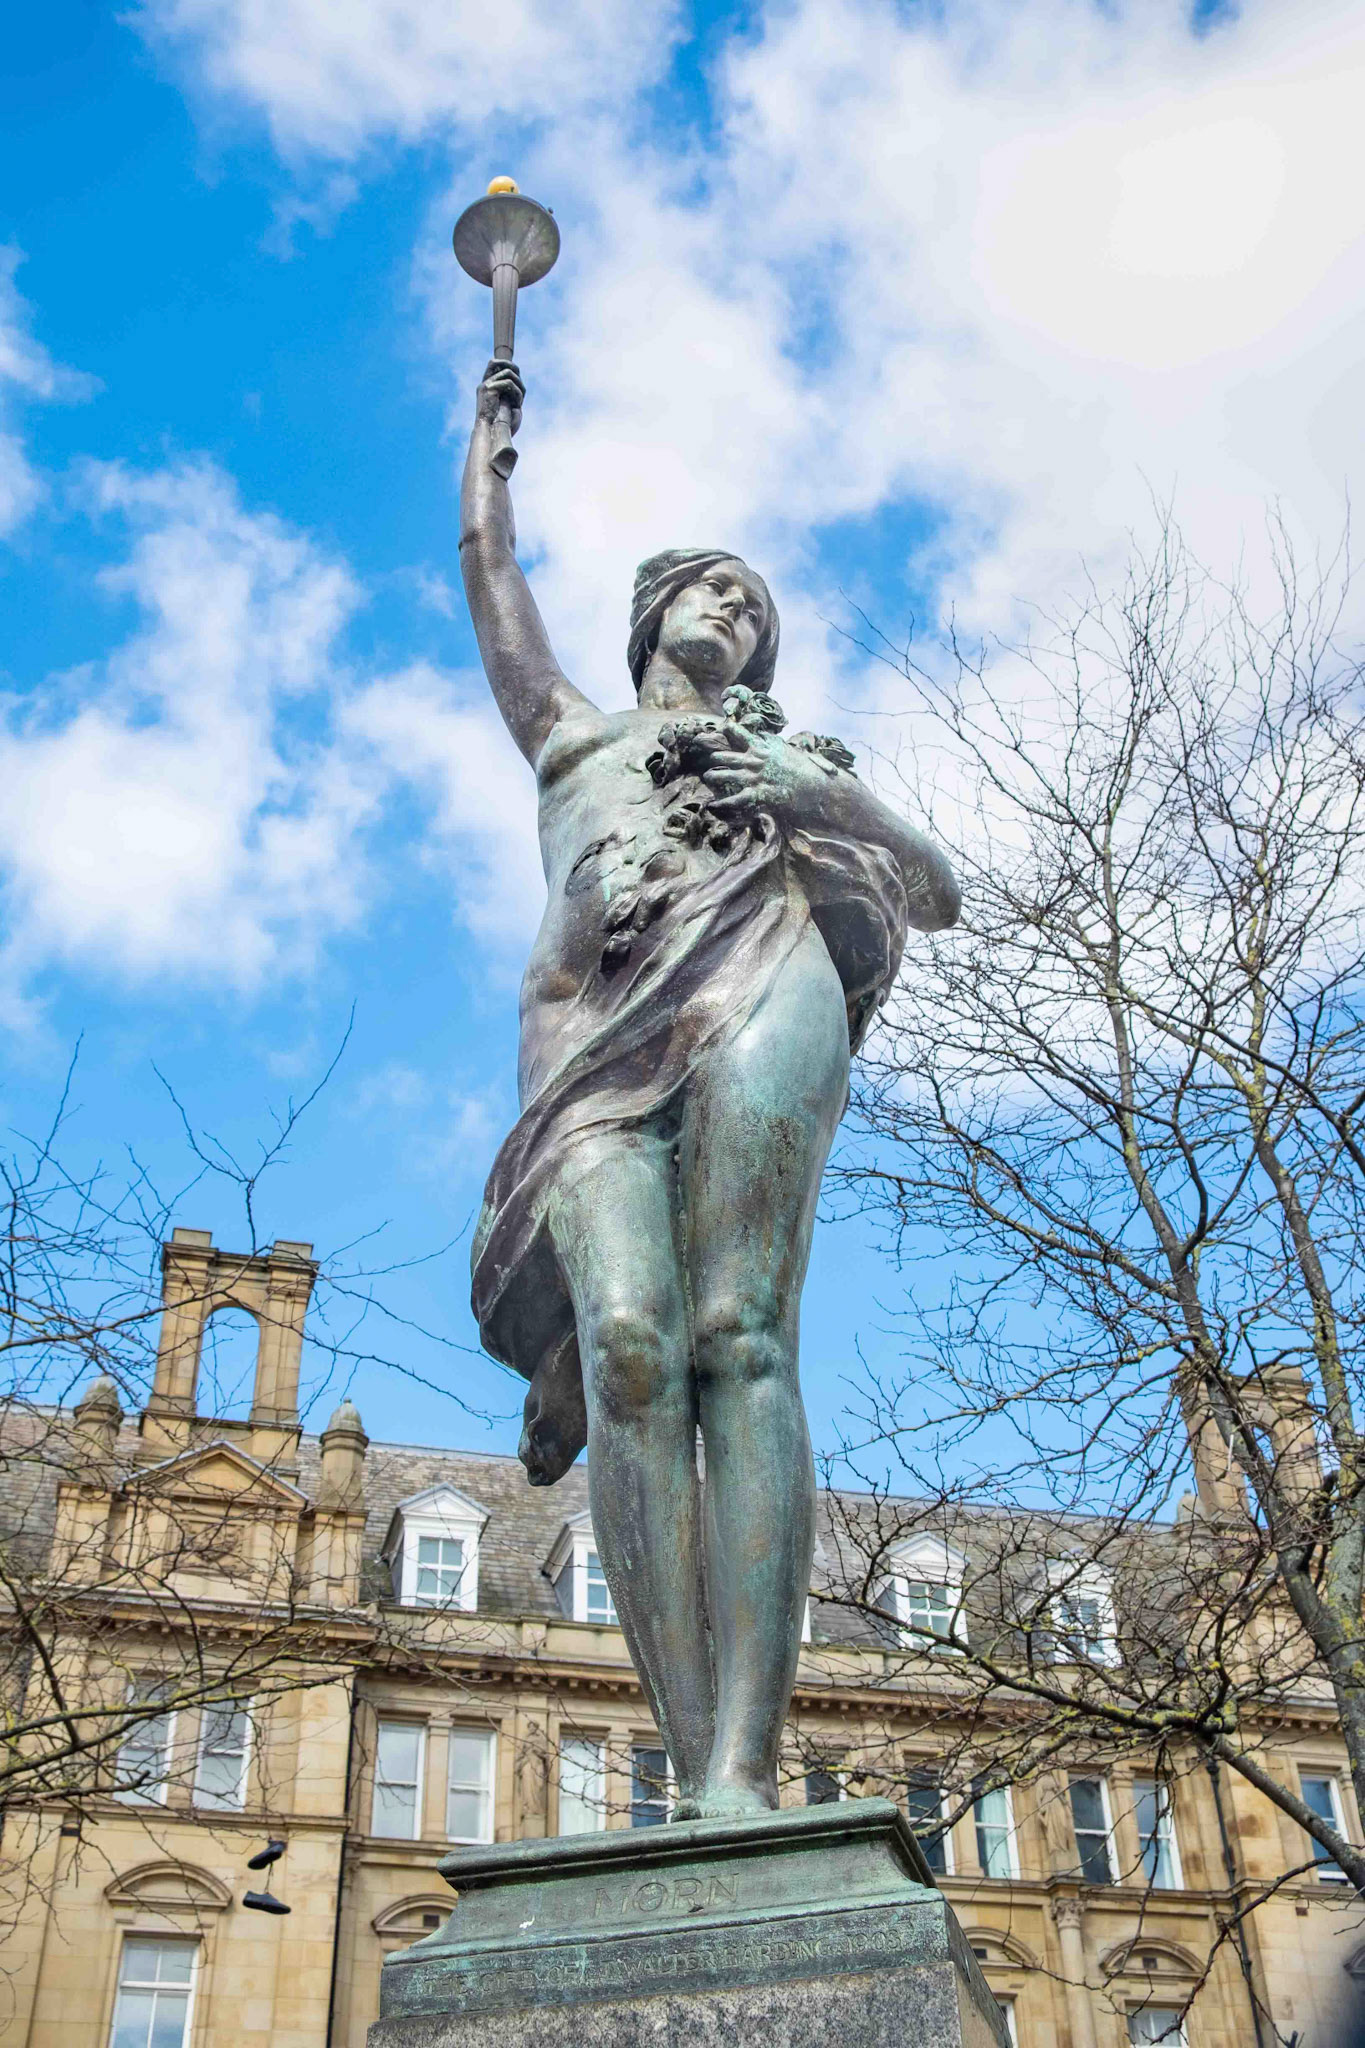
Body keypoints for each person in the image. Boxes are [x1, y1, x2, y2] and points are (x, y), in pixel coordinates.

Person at [461, 358, 960, 1820]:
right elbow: (491, 589)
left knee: (739, 1334)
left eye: (757, 606)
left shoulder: (792, 757)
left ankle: (742, 1766)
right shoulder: (572, 736)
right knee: (629, 1343)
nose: (737, 613)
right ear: (653, 613)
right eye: (715, 591)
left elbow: (933, 893)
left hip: (765, 982)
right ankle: (688, 1758)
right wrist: (484, 463)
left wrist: (829, 804)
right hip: (595, 1036)